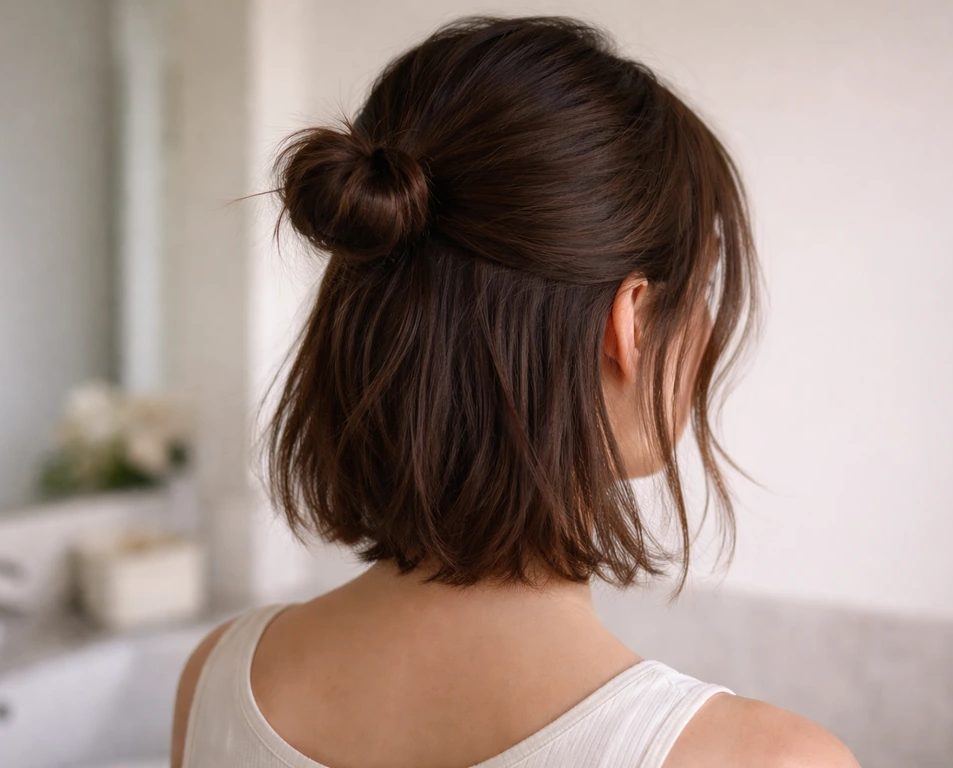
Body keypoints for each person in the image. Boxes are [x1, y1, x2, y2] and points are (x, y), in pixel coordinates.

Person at [171, 15, 859, 768]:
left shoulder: (215, 681)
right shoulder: (767, 761)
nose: (705, 327)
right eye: (703, 284)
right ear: (630, 322)